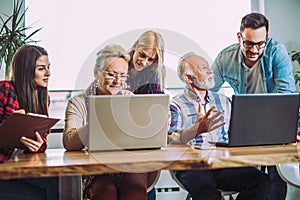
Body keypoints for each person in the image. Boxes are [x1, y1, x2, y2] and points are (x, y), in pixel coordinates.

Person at [210, 12, 296, 199]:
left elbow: (286, 95)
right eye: (248, 43)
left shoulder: (276, 53)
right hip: (244, 126)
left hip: (274, 123)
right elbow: (208, 92)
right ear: (239, 37)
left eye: (260, 44)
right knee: (248, 175)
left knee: (275, 174)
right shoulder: (226, 58)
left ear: (267, 38)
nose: (255, 50)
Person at [168, 52, 271, 200]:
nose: (210, 70)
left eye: (208, 67)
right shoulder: (176, 104)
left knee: (262, 181)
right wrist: (195, 130)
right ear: (188, 78)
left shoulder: (224, 101)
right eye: (203, 68)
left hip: (222, 163)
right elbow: (171, 139)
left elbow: (241, 133)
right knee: (206, 191)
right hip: (192, 165)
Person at [63, 44, 149, 200]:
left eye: (123, 75)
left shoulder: (129, 98)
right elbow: (69, 142)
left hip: (127, 166)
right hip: (95, 170)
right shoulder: (78, 102)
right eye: (112, 74)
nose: (118, 81)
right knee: (105, 191)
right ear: (96, 73)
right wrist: (99, 120)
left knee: (135, 189)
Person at [0, 44, 58, 199]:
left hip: (20, 168)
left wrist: (38, 146)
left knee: (59, 182)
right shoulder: (5, 90)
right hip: (3, 168)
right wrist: (10, 123)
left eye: (48, 67)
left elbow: (42, 140)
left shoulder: (43, 99)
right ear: (26, 71)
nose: (48, 73)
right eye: (41, 68)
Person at [126, 30, 165, 199]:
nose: (144, 62)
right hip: (116, 132)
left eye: (151, 59)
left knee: (144, 181)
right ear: (135, 47)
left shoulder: (153, 74)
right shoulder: (119, 64)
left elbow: (157, 107)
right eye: (142, 55)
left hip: (140, 136)